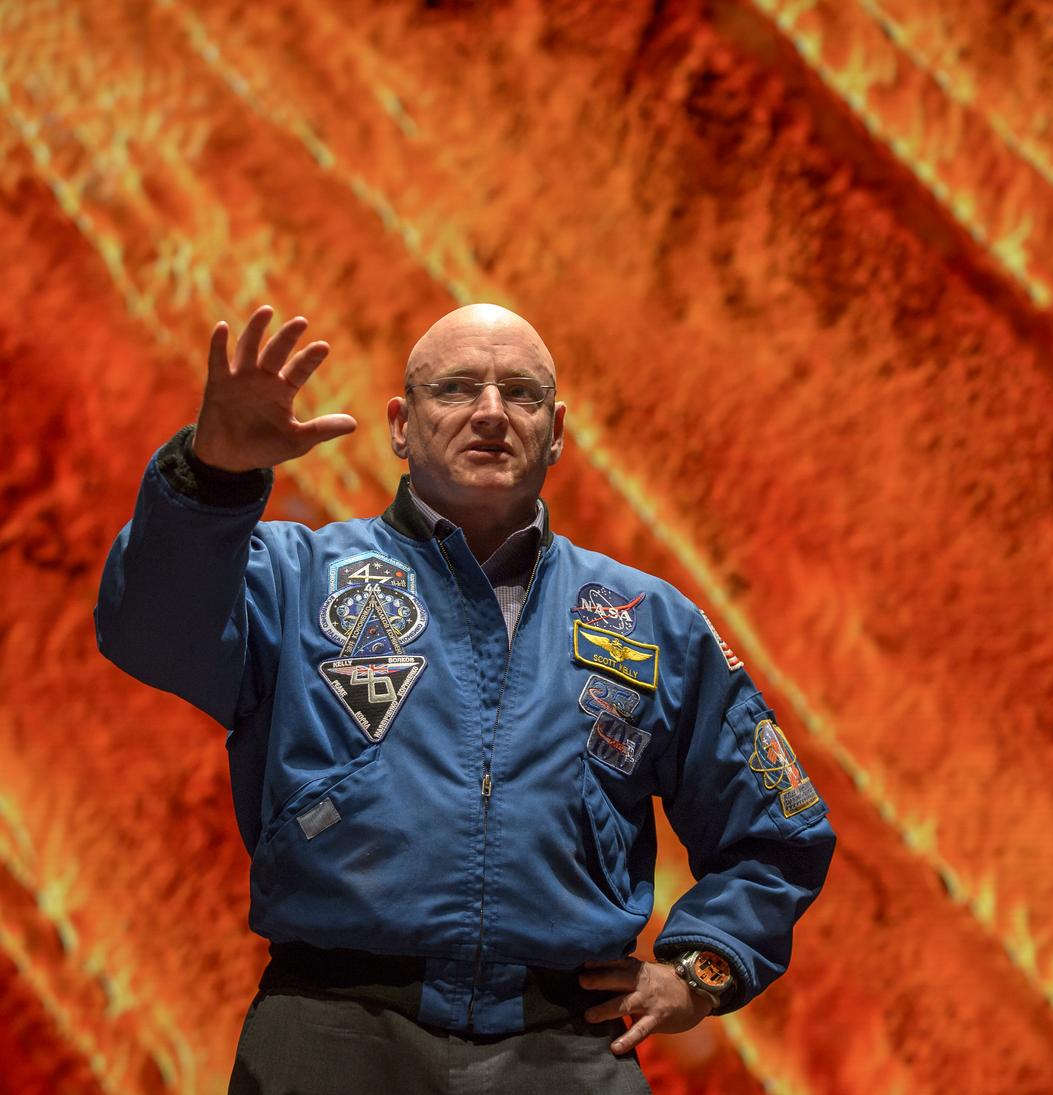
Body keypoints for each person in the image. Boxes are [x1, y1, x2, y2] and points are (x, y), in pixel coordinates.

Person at [96, 303, 835, 1093]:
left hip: (565, 1043)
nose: (489, 411)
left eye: (520, 392)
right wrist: (213, 474)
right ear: (401, 425)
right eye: (454, 387)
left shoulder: (649, 620)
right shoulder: (293, 576)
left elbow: (778, 830)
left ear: (556, 431)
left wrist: (699, 970)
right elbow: (149, 629)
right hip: (329, 1030)